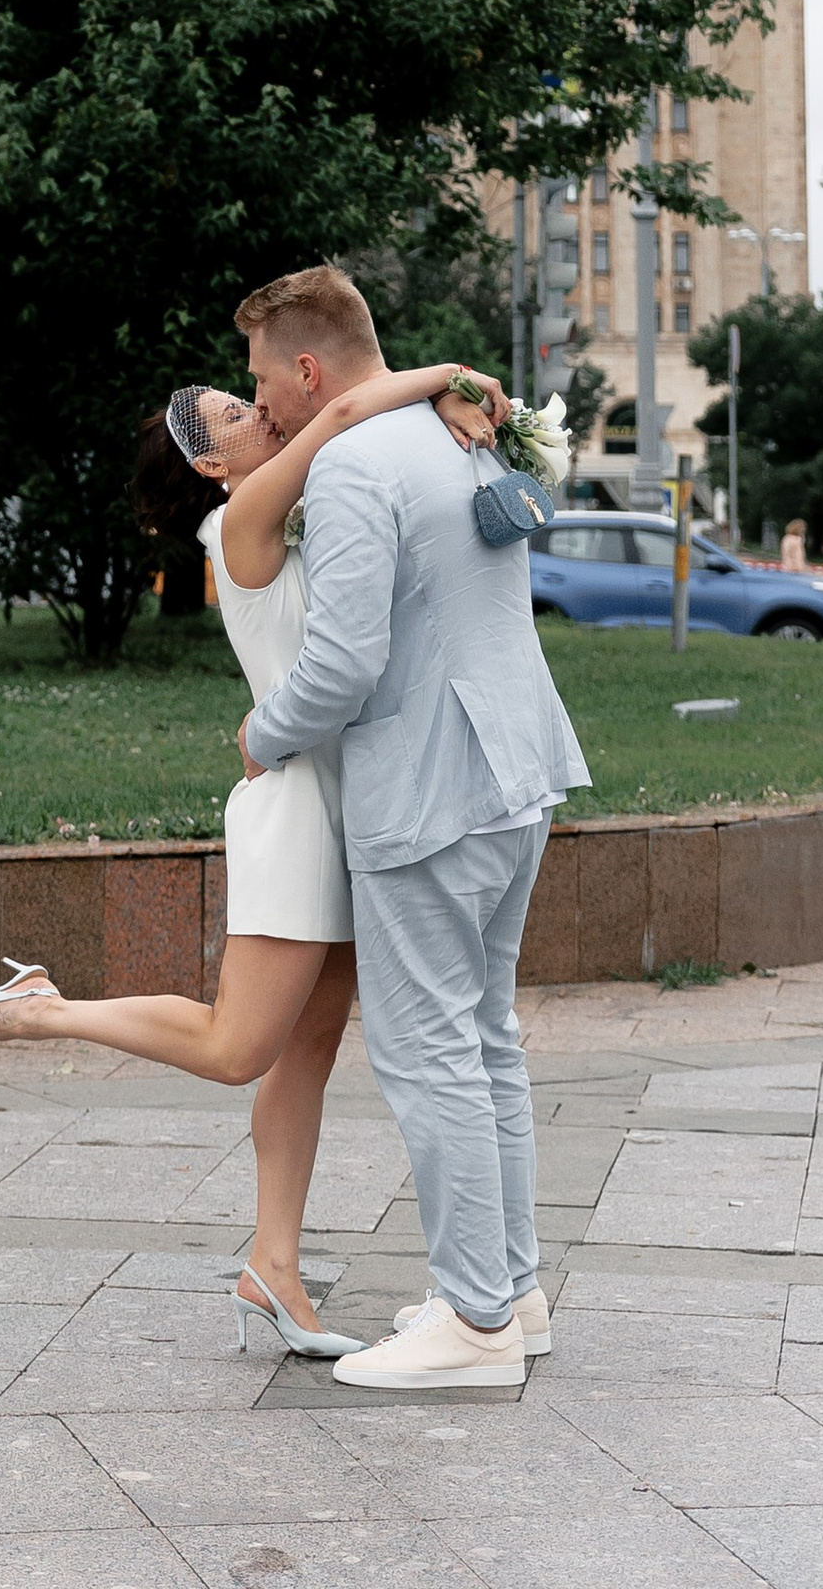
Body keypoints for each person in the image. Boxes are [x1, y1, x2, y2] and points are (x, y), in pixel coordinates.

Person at [0, 341, 507, 1359]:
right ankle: (29, 1011)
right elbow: (341, 414)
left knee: (308, 1052)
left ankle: (272, 1268)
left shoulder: (293, 505)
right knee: (237, 1049)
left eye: (250, 398)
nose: (259, 410)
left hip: (357, 806)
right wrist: (451, 378)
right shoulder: (239, 522)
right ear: (211, 463)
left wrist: (447, 421)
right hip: (297, 813)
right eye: (236, 414)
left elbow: (364, 460)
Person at [239, 262, 590, 1394]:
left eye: (262, 380)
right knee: (483, 1039)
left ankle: (476, 1324)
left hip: (430, 789)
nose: (262, 404)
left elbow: (343, 662)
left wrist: (263, 733)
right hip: (516, 768)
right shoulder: (458, 433)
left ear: (306, 369)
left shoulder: (353, 463)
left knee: (430, 1051)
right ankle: (511, 1293)